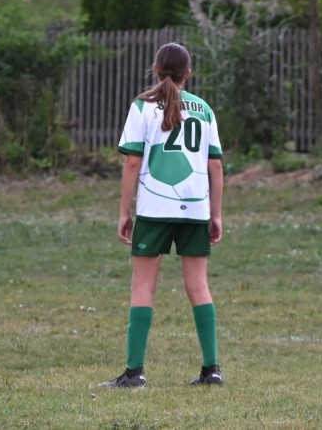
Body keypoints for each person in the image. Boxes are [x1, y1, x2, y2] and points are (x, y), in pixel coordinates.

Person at [98, 42, 225, 388]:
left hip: (154, 208)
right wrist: (215, 214)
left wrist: (124, 211)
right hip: (195, 208)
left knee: (143, 286)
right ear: (188, 74)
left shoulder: (142, 106)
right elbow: (215, 165)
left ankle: (134, 373)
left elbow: (132, 162)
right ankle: (211, 369)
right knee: (199, 286)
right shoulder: (204, 109)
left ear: (155, 69)